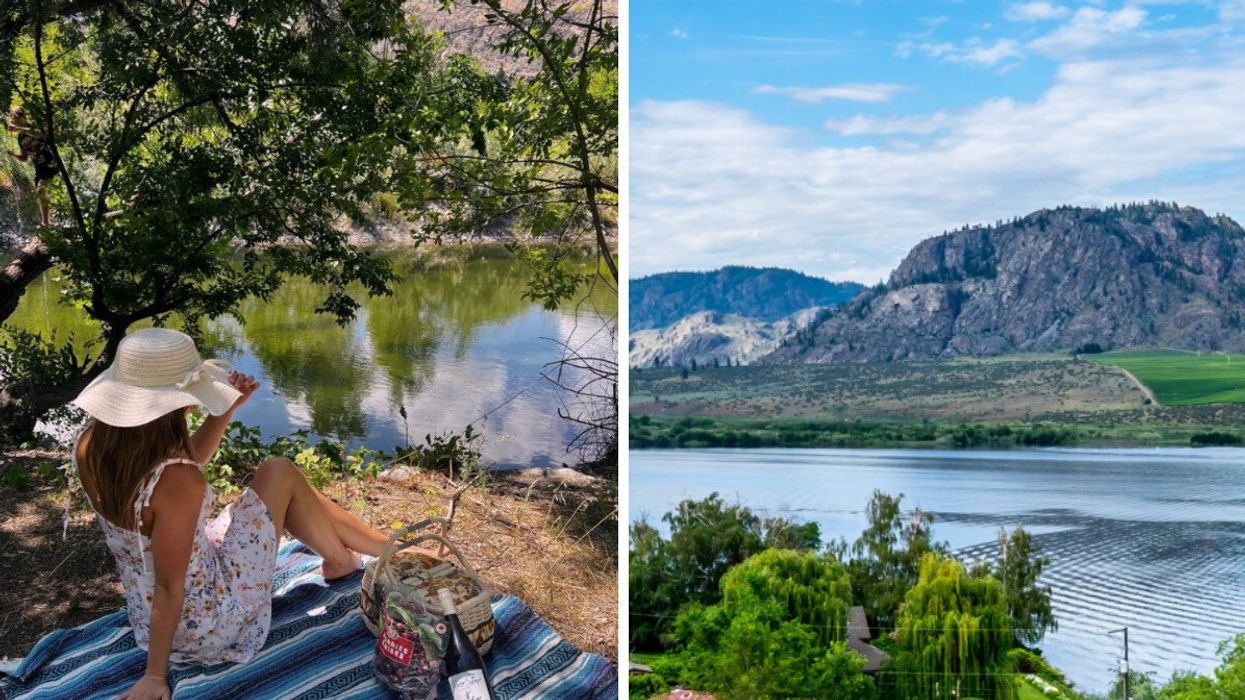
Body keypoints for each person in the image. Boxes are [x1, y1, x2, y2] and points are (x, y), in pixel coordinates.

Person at [71, 327, 392, 700]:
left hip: (147, 618)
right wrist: (156, 676)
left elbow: (173, 475)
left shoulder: (91, 443)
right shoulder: (178, 482)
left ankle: (380, 549)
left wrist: (227, 410)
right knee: (279, 472)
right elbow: (169, 586)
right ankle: (374, 553)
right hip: (207, 627)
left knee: (271, 492)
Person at [4, 106, 57, 226]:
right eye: (13, 122)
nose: (14, 124)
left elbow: (41, 135)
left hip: (50, 162)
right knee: (40, 193)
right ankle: (47, 223)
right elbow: (25, 158)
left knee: (41, 190)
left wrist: (18, 128)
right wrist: (14, 155)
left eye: (15, 120)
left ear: (23, 117)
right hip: (39, 167)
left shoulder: (34, 125)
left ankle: (46, 223)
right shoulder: (21, 137)